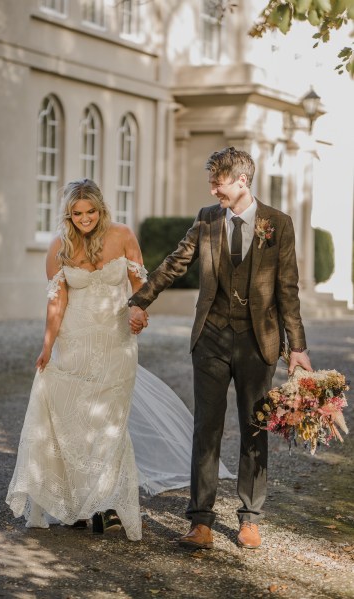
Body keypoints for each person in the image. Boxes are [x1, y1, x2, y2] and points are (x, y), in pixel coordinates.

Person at [6, 178, 234, 541]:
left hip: (116, 343)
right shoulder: (58, 248)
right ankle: (78, 505)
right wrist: (47, 345)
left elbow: (139, 288)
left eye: (91, 211)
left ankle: (107, 506)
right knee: (72, 424)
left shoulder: (124, 234)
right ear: (68, 214)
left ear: (101, 208)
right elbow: (56, 302)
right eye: (77, 213)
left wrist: (138, 313)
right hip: (74, 344)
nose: (85, 219)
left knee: (110, 425)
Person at [128, 147, 312, 550]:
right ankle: (200, 522)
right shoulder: (207, 219)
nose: (214, 190)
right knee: (205, 429)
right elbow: (176, 263)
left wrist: (296, 346)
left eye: (219, 182)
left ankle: (249, 518)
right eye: (211, 182)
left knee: (254, 427)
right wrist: (140, 300)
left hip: (257, 341)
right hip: (210, 337)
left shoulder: (277, 224)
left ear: (242, 181)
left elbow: (287, 289)